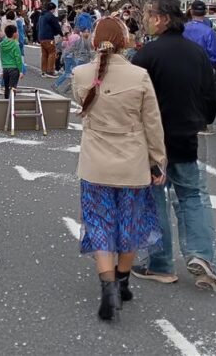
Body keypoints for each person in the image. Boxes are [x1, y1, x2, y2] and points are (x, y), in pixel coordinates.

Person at [72, 17, 166, 321]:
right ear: (124, 41)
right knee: (131, 224)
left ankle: (108, 287)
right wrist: (157, 161)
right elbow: (152, 123)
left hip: (95, 164)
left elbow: (84, 105)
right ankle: (123, 280)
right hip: (132, 163)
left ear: (95, 41)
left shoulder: (80, 74)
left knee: (99, 224)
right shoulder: (139, 76)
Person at [130, 0, 216, 292]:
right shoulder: (196, 53)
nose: (146, 20)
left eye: (148, 15)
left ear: (160, 18)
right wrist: (200, 119)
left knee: (155, 201)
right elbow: (211, 94)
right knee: (192, 197)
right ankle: (202, 256)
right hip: (187, 138)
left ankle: (160, 264)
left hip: (154, 143)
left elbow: (134, 101)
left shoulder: (146, 55)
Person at [184, 0, 216, 134]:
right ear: (205, 13)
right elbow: (214, 52)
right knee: (204, 95)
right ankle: (201, 124)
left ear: (191, 11)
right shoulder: (208, 31)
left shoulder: (183, 28)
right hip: (203, 67)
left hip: (184, 65)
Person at [54, 26, 94, 93]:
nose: (87, 33)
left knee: (74, 75)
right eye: (85, 32)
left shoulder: (86, 40)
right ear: (82, 33)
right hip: (80, 60)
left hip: (81, 60)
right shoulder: (81, 40)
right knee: (73, 74)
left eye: (88, 32)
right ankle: (64, 86)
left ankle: (68, 87)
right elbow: (73, 48)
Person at [37, 2, 62, 77]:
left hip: (41, 37)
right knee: (52, 53)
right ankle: (50, 71)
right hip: (49, 37)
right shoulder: (51, 16)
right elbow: (57, 26)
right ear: (53, 9)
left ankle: (43, 71)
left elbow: (37, 27)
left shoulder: (41, 16)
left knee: (44, 54)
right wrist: (61, 34)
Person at [0, 24, 23, 98]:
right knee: (12, 88)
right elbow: (18, 58)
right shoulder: (15, 44)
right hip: (14, 68)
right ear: (14, 34)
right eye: (16, 32)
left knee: (6, 88)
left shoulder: (2, 44)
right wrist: (20, 70)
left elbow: (0, 56)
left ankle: (6, 103)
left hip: (4, 67)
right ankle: (11, 105)